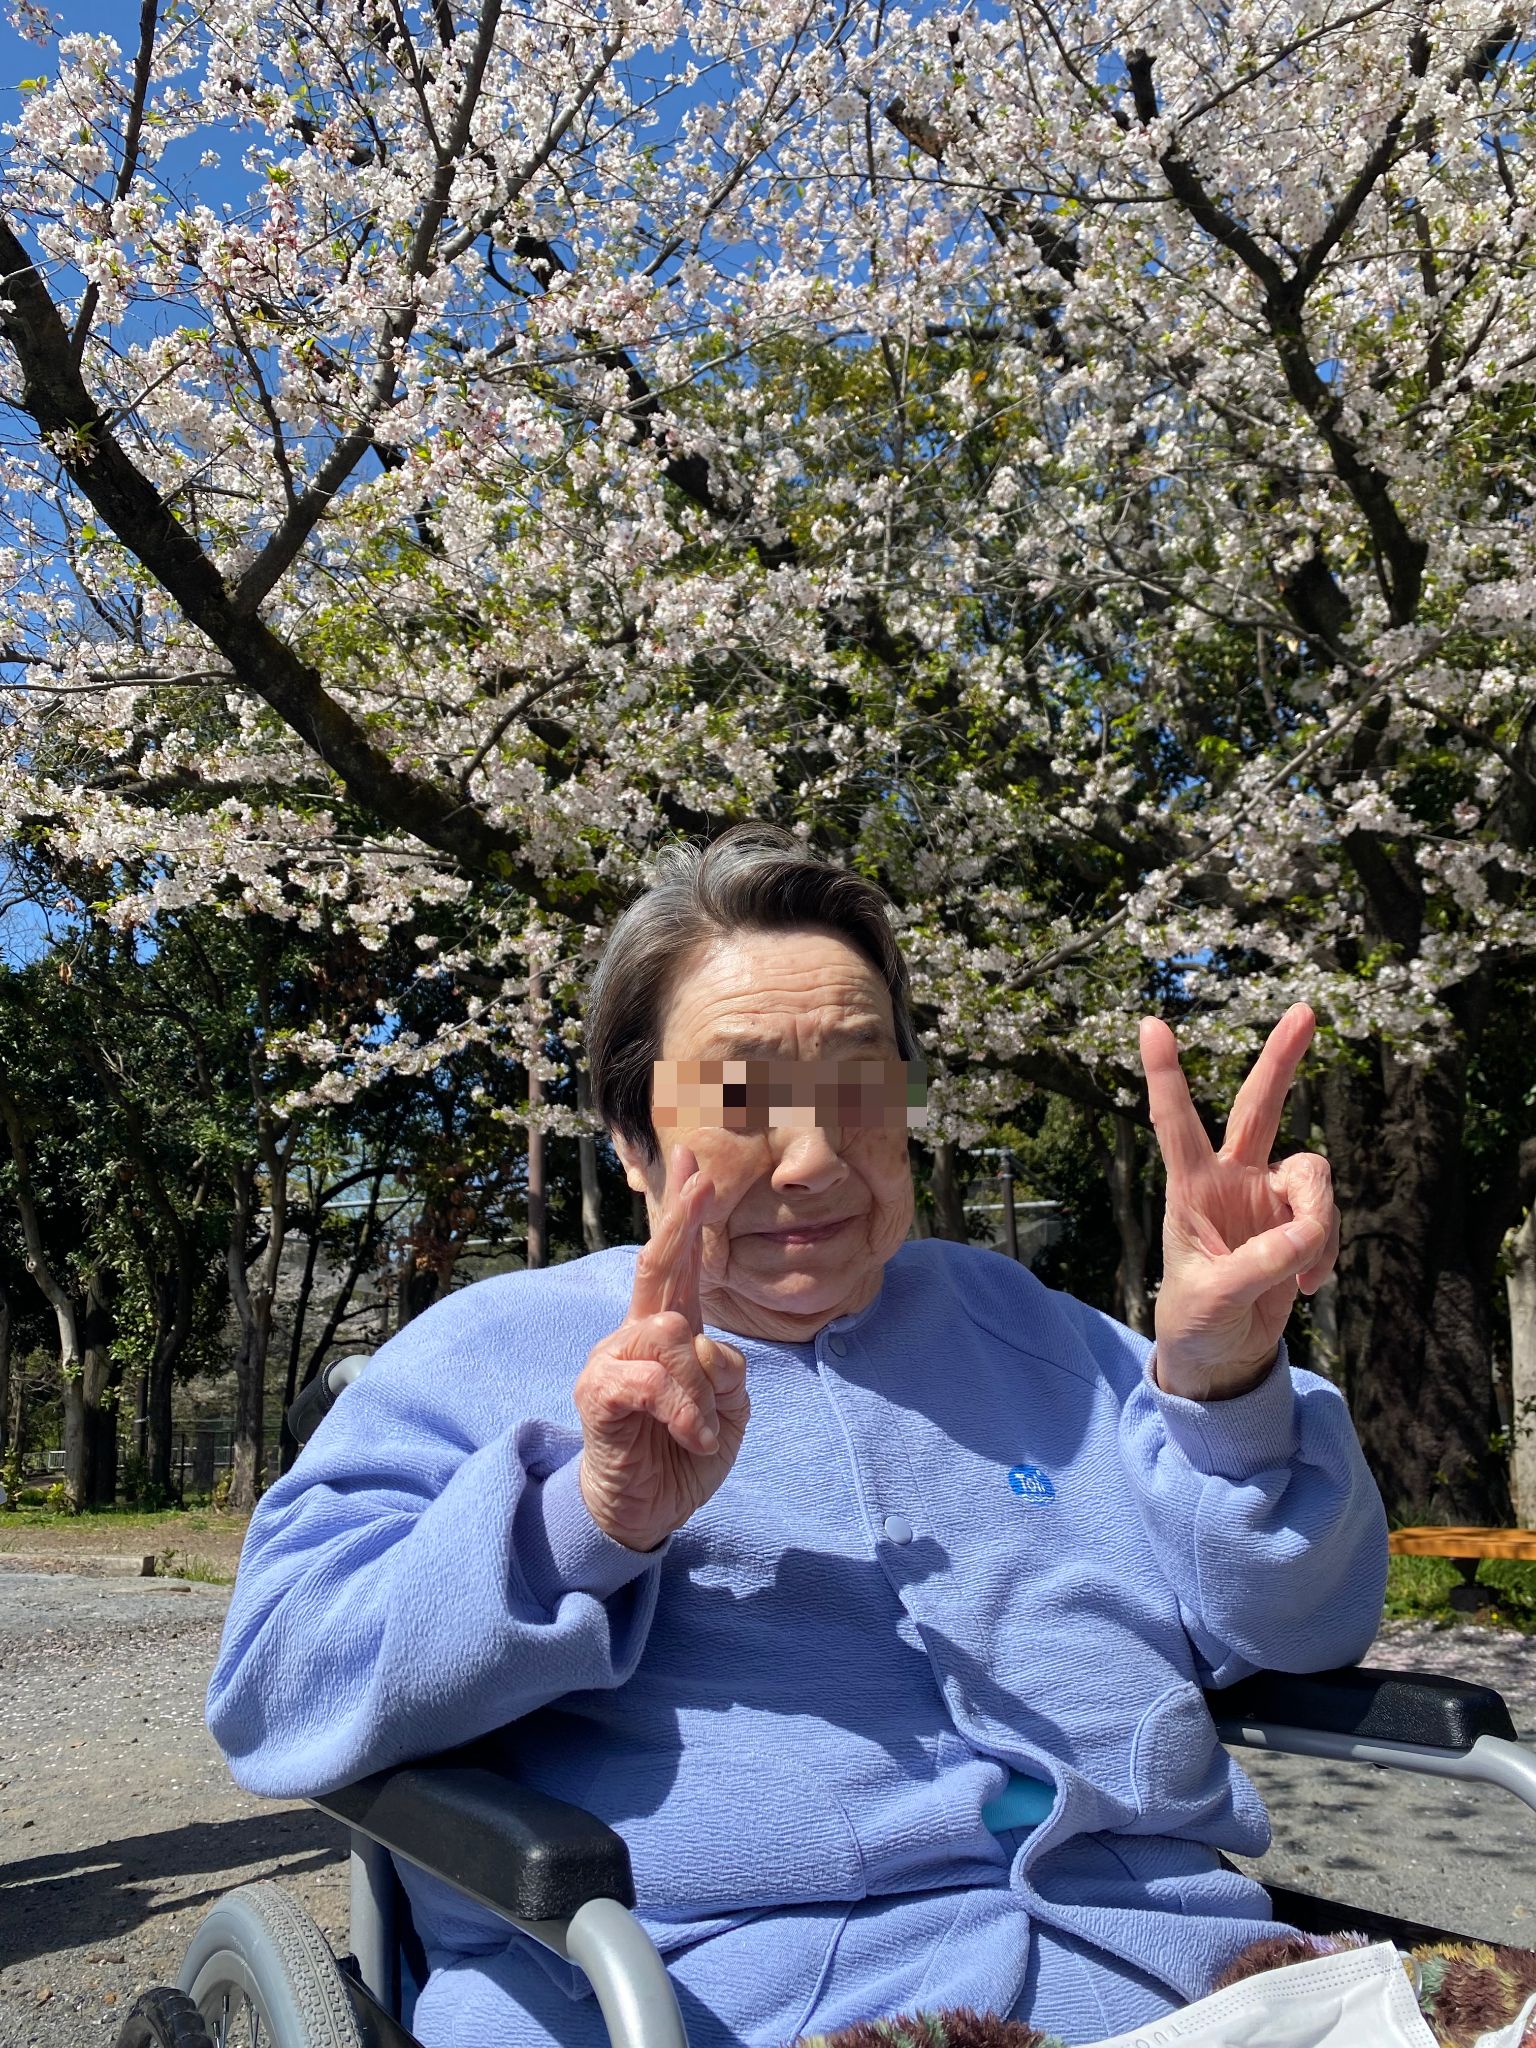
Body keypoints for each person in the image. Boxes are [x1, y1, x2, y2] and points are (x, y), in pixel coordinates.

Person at [206, 824, 1387, 2048]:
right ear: (632, 1138)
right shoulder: (483, 1351)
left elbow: (1307, 1624)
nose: (814, 1158)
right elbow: (276, 1688)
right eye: (741, 1098)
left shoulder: (1035, 1331)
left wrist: (1227, 1384)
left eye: (860, 1089)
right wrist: (583, 1519)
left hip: (1197, 1980)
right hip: (737, 2004)